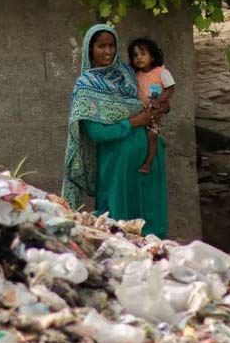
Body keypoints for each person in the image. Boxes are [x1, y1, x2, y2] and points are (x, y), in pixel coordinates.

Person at [61, 24, 168, 238]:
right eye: (101, 46)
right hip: (117, 166)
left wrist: (161, 107)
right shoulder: (86, 86)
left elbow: (153, 96)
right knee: (119, 226)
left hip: (151, 159)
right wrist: (134, 122)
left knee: (152, 221)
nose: (108, 52)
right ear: (90, 49)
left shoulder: (128, 74)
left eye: (111, 46)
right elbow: (98, 134)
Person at [128, 38, 176, 174]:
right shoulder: (135, 74)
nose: (139, 58)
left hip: (153, 110)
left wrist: (159, 101)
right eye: (135, 55)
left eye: (143, 54)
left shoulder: (161, 72)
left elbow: (170, 88)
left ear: (153, 56)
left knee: (152, 136)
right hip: (140, 110)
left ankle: (149, 162)